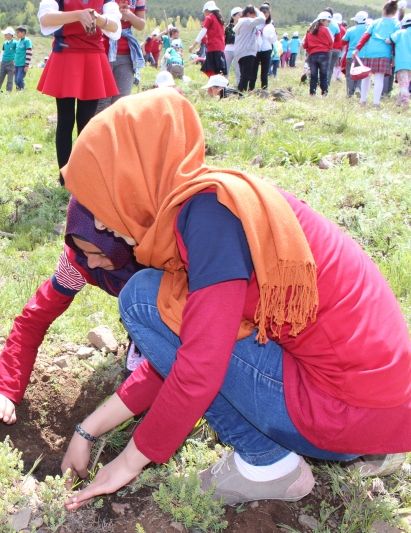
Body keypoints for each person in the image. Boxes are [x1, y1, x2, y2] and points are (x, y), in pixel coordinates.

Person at [57, 88, 411, 510]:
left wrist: (129, 461)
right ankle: (356, 450)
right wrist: (89, 429)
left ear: (134, 178)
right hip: (376, 409)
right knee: (160, 307)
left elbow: (198, 367)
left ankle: (267, 465)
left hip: (342, 412)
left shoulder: (209, 220)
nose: (100, 223)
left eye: (102, 200)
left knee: (141, 299)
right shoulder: (209, 203)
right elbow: (185, 347)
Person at [0, 197, 139, 423]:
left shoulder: (156, 254)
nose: (92, 263)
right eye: (86, 252)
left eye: (101, 254)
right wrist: (5, 387)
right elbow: (34, 320)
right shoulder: (76, 260)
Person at [37, 0, 120, 186]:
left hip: (93, 58)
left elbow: (115, 26)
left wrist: (95, 17)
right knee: (65, 120)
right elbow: (45, 19)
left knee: (86, 122)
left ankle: (84, 178)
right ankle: (65, 179)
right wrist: (78, 15)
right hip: (66, 55)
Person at [96, 0, 146, 113]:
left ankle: (118, 130)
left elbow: (141, 25)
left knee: (122, 102)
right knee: (102, 102)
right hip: (102, 50)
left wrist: (130, 16)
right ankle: (101, 130)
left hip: (126, 54)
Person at [353, 0, 400, 108]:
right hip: (384, 53)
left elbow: (365, 36)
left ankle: (363, 100)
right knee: (379, 78)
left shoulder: (375, 22)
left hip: (370, 52)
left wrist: (357, 49)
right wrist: (394, 57)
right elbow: (395, 41)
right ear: (395, 12)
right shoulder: (396, 24)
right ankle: (375, 103)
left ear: (384, 10)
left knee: (366, 77)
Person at [189, 1, 227, 77]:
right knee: (218, 70)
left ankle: (216, 86)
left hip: (213, 47)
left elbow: (203, 32)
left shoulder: (209, 18)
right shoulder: (219, 19)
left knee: (212, 71)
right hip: (220, 48)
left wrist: (193, 45)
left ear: (207, 10)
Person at [234, 5, 266, 91]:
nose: (255, 17)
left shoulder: (241, 22)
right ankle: (241, 93)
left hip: (241, 52)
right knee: (246, 75)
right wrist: (257, 9)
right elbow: (262, 19)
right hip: (247, 51)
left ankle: (240, 91)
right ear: (249, 14)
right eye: (254, 15)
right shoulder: (247, 21)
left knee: (243, 75)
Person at [303, 11, 334, 96]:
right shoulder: (326, 30)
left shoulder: (310, 30)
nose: (329, 23)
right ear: (322, 21)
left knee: (313, 77)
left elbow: (305, 44)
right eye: (328, 21)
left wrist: (310, 49)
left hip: (312, 55)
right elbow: (331, 42)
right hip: (324, 55)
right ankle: (324, 94)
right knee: (323, 76)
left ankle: (312, 94)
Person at [343, 11, 369, 96]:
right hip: (365, 55)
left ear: (356, 21)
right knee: (362, 74)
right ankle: (358, 87)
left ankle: (349, 93)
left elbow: (343, 41)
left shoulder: (351, 30)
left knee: (350, 75)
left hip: (351, 55)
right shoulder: (368, 29)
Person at [388, 13, 411, 106]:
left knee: (403, 84)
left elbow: (388, 40)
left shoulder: (400, 32)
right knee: (407, 82)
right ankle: (398, 103)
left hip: (402, 63)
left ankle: (405, 102)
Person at [253, 4, 276, 89]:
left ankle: (264, 89)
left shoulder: (271, 23)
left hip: (267, 48)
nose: (266, 14)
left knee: (264, 72)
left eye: (268, 12)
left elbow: (273, 36)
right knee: (253, 71)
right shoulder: (256, 22)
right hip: (256, 49)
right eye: (264, 12)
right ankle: (251, 89)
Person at [0, 27, 17, 91]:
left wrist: (15, 60)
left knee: (10, 79)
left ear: (10, 34)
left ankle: (8, 92)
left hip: (11, 62)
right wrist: (1, 60)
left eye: (6, 34)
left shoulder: (15, 43)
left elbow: (17, 52)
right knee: (0, 77)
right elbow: (3, 52)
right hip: (4, 62)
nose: (5, 35)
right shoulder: (4, 43)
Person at [224, 8, 242, 83]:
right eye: (238, 14)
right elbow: (225, 39)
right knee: (225, 69)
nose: (240, 16)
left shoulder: (242, 26)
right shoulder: (228, 28)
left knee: (238, 69)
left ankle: (239, 85)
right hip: (228, 49)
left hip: (238, 50)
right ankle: (223, 85)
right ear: (233, 16)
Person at [328, 13, 345, 83]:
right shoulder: (344, 29)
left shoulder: (330, 26)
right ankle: (335, 78)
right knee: (335, 66)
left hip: (330, 49)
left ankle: (327, 80)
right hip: (339, 51)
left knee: (328, 66)